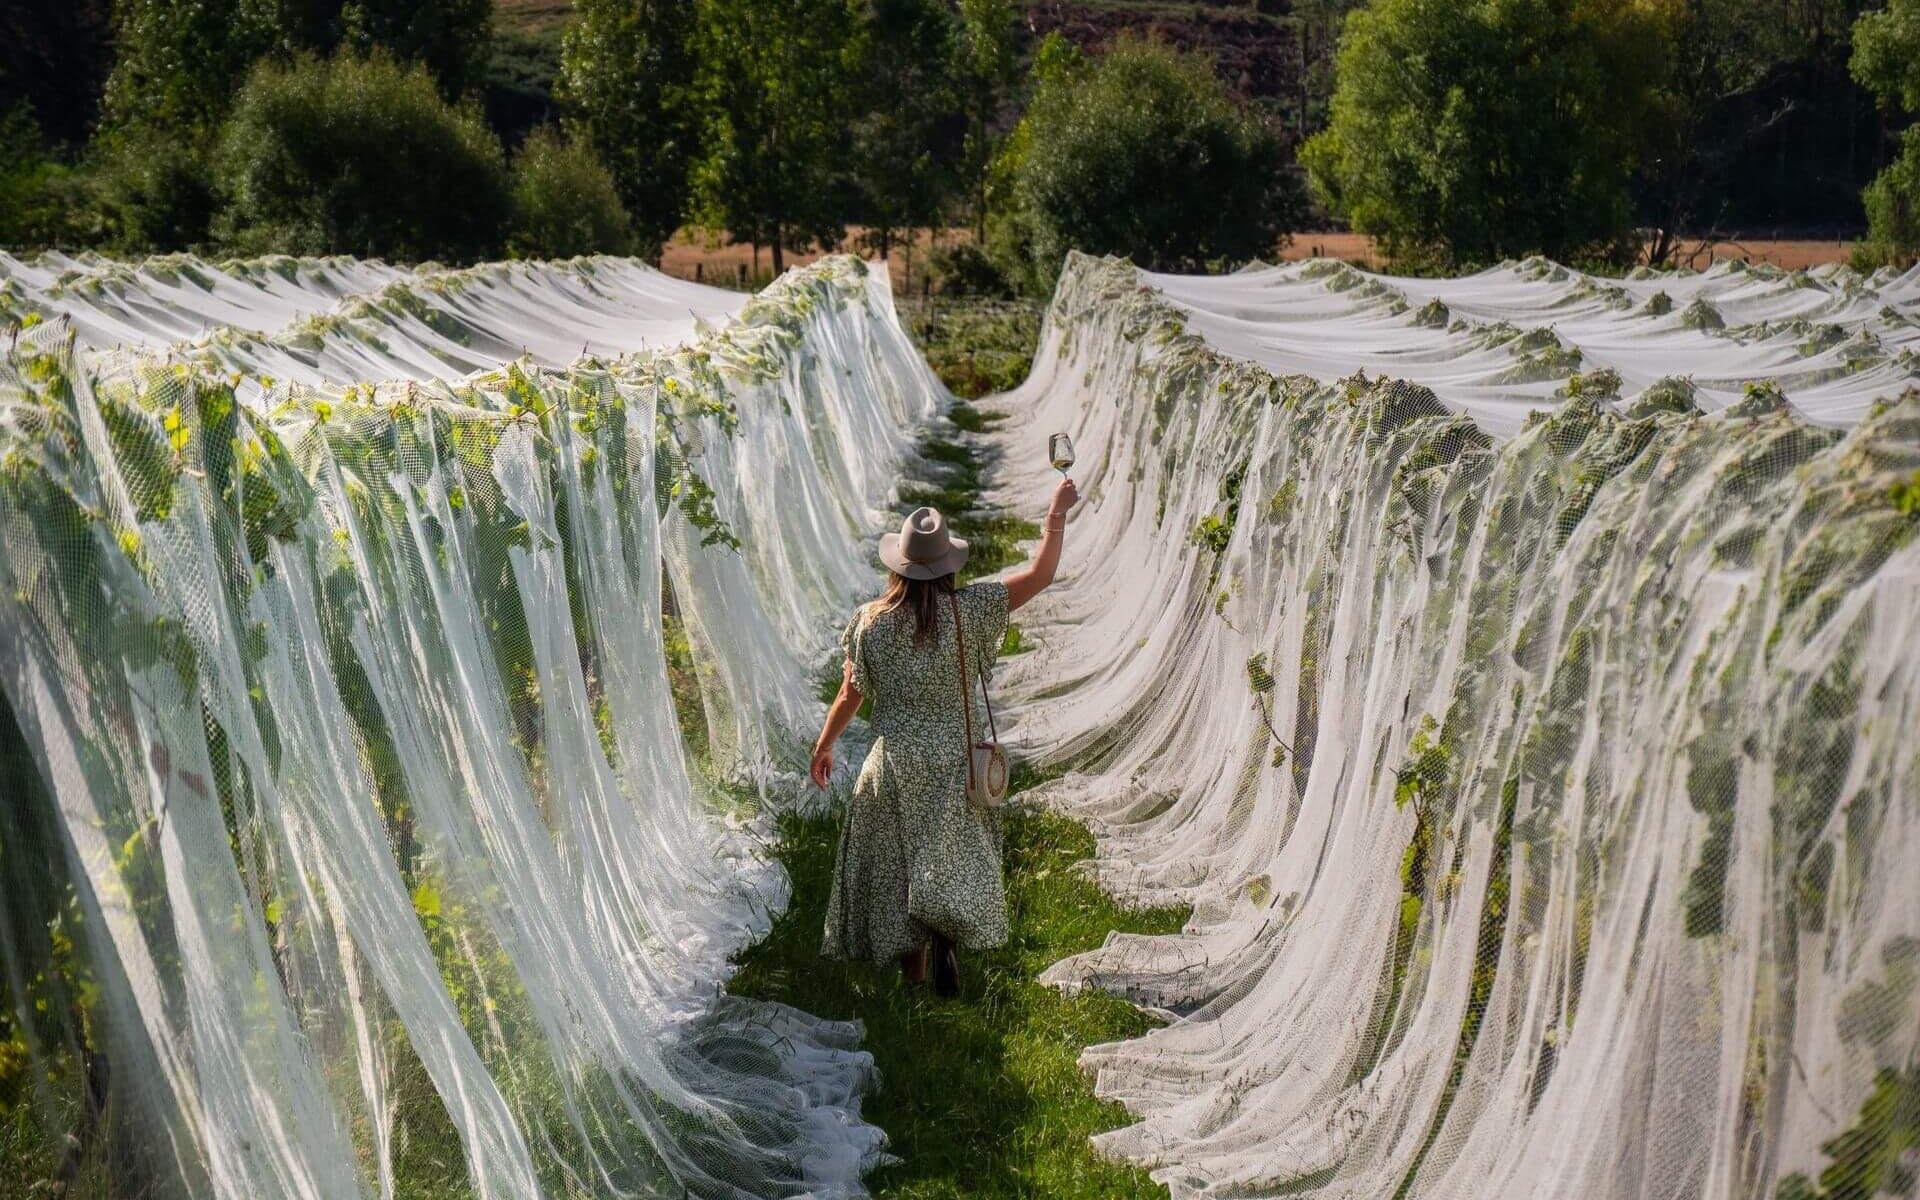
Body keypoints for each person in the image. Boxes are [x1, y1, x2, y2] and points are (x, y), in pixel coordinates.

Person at [811, 478, 1078, 995]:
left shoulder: (871, 624)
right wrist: (1055, 513)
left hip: (895, 765)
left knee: (899, 866)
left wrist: (824, 745)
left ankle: (913, 982)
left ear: (898, 565)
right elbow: (1041, 574)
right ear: (949, 565)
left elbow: (850, 695)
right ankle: (946, 944)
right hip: (956, 764)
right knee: (946, 855)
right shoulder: (971, 612)